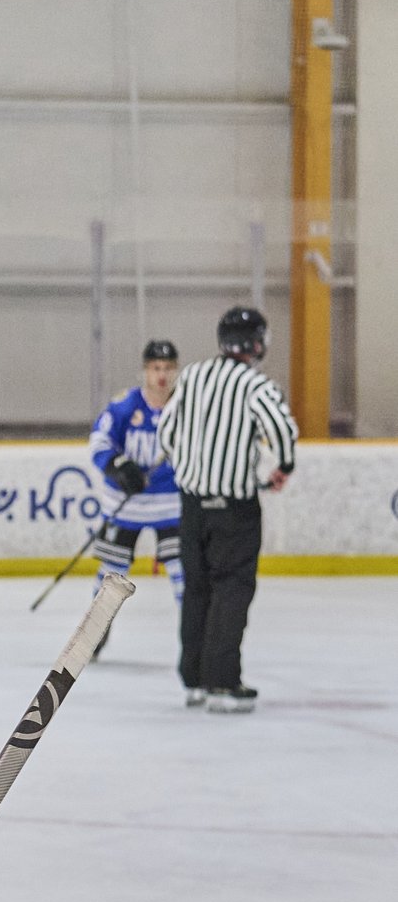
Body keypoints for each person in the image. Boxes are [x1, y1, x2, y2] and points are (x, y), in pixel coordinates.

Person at [158, 304, 299, 713]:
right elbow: (282, 431)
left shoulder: (193, 376)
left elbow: (166, 431)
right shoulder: (256, 385)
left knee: (197, 589)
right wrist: (283, 467)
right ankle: (222, 682)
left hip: (192, 507)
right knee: (231, 589)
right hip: (234, 509)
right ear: (257, 344)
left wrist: (190, 469)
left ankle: (194, 681)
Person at [87, 340, 184, 605]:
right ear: (145, 370)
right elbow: (99, 442)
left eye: (168, 368)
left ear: (176, 370)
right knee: (111, 576)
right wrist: (117, 466)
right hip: (126, 505)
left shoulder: (186, 409)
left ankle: (193, 634)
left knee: (184, 574)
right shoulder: (125, 406)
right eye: (156, 368)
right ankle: (96, 632)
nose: (162, 375)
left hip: (171, 505)